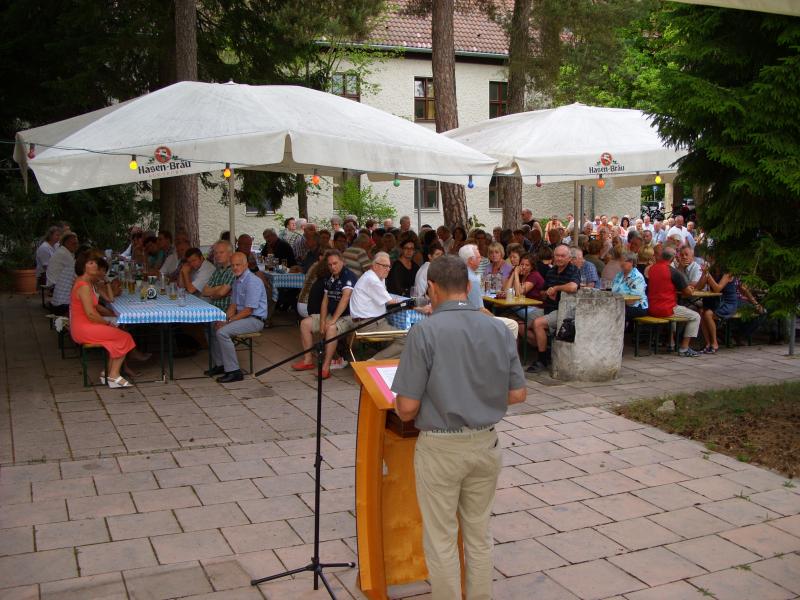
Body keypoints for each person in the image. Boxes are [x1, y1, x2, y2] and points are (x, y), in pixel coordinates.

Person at [392, 255, 526, 600]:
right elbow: (518, 393)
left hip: (440, 447)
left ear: (430, 288)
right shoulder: (499, 327)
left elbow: (406, 409)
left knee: (441, 538)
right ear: (469, 288)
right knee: (479, 536)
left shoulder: (423, 332)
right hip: (486, 444)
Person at [70, 254, 136, 388]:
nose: (95, 265)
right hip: (83, 328)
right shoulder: (83, 285)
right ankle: (114, 375)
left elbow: (96, 308)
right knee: (125, 337)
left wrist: (108, 321)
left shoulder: (88, 283)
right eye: (90, 263)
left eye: (95, 263)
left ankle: (107, 373)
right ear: (82, 266)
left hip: (84, 326)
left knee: (117, 335)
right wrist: (107, 323)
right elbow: (91, 314)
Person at [292, 250, 358, 379]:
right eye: (330, 264)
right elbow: (325, 300)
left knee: (331, 328)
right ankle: (308, 360)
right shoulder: (330, 277)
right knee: (305, 323)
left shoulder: (349, 276)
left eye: (335, 263)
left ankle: (325, 367)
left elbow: (345, 299)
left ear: (342, 262)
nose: (333, 267)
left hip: (348, 317)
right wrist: (322, 321)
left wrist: (331, 321)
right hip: (332, 314)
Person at [206, 252, 268, 383]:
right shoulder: (237, 280)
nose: (235, 267)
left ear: (246, 265)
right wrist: (223, 319)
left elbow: (248, 310)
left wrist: (227, 322)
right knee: (212, 325)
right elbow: (233, 306)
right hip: (244, 317)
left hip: (255, 319)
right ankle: (221, 364)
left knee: (222, 332)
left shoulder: (253, 281)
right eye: (233, 265)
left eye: (238, 264)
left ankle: (234, 371)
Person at [528, 244, 580, 373]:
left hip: (564, 311)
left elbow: (573, 287)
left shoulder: (573, 270)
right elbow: (542, 292)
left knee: (537, 323)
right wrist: (546, 293)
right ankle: (546, 348)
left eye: (562, 256)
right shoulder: (551, 271)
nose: (559, 258)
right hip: (548, 307)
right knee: (521, 320)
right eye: (557, 255)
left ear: (569, 258)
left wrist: (556, 288)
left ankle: (542, 359)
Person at [349, 251, 409, 359]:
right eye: (385, 266)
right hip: (368, 324)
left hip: (370, 322)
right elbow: (391, 302)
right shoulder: (372, 280)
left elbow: (386, 297)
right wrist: (414, 303)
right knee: (406, 338)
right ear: (375, 266)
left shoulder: (376, 277)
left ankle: (386, 366)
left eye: (389, 266)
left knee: (399, 335)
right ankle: (373, 362)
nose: (388, 269)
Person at [646, 246, 702, 357]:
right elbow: (688, 292)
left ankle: (672, 342)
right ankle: (684, 348)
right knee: (696, 316)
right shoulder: (673, 272)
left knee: (679, 314)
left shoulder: (652, 269)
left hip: (651, 308)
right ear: (673, 258)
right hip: (667, 308)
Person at [612, 252, 649, 322]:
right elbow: (613, 291)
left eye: (624, 261)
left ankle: (618, 332)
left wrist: (618, 302)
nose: (621, 263)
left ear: (631, 262)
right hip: (621, 305)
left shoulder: (637, 277)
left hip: (637, 307)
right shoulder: (619, 275)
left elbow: (633, 300)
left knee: (615, 312)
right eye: (620, 260)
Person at [202, 241, 235, 313]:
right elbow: (204, 291)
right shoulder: (217, 270)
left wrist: (212, 294)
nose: (218, 255)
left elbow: (221, 293)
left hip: (226, 313)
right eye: (216, 253)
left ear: (230, 254)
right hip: (213, 311)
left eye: (221, 252)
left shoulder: (234, 270)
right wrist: (218, 288)